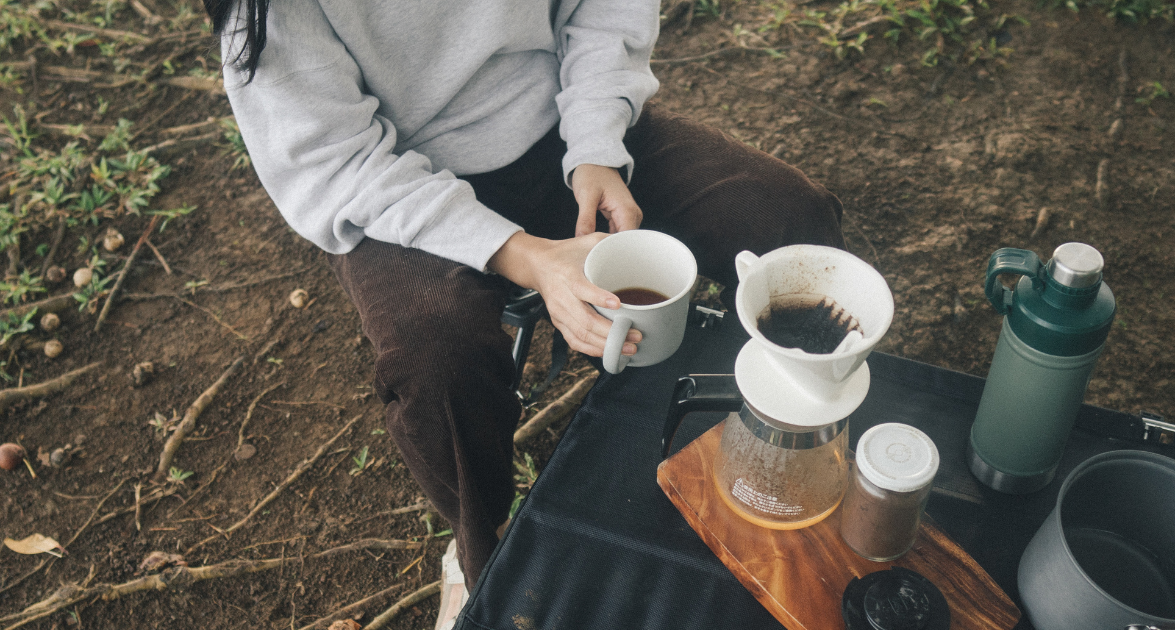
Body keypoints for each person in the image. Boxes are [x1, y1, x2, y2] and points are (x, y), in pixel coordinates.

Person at [209, 0, 845, 626]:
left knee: (788, 224)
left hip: (565, 115)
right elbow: (331, 156)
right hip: (397, 181)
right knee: (436, 357)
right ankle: (482, 552)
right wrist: (527, 256)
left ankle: (753, 435)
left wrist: (595, 145)